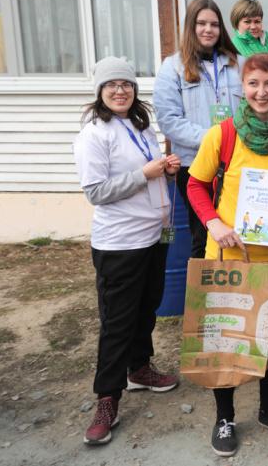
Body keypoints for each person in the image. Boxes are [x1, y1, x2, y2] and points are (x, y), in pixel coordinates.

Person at [186, 53, 268, 457]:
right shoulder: (222, 135)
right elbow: (195, 185)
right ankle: (224, 418)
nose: (262, 92)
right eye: (253, 83)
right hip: (228, 258)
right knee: (225, 341)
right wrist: (213, 223)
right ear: (243, 87)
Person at [74, 57, 181, 446]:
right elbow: (96, 191)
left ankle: (139, 368)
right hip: (119, 243)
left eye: (126, 84)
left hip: (154, 235)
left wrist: (165, 169)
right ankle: (107, 399)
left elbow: (147, 173)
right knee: (117, 322)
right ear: (100, 91)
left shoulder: (140, 126)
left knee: (146, 307)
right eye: (111, 85)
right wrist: (144, 174)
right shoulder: (94, 134)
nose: (120, 91)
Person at [154, 0, 243, 259]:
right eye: (201, 23)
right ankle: (203, 286)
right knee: (204, 234)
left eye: (214, 24)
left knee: (239, 230)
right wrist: (216, 139)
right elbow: (169, 120)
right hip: (194, 165)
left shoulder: (239, 63)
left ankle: (240, 284)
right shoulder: (172, 67)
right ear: (190, 27)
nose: (208, 29)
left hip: (236, 162)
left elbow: (252, 108)